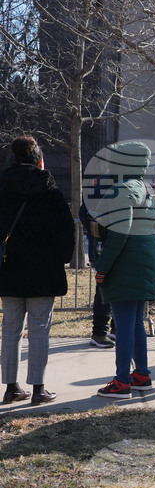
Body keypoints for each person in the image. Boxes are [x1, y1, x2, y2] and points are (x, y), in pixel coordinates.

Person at [0, 135, 74, 405]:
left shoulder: (2, 185)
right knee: (40, 328)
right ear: (39, 159)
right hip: (43, 269)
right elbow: (65, 231)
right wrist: (63, 258)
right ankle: (38, 389)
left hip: (8, 267)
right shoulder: (50, 189)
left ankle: (11, 388)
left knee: (10, 329)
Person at [93, 142, 155, 399]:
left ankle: (122, 381)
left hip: (126, 263)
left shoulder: (121, 190)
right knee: (135, 323)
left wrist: (102, 268)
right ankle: (141, 375)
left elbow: (119, 234)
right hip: (147, 258)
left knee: (123, 325)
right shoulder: (145, 188)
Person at [79, 179, 115, 348]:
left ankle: (115, 329)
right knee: (103, 290)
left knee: (113, 289)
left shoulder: (127, 183)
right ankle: (100, 332)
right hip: (104, 248)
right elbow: (84, 212)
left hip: (107, 247)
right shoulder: (106, 185)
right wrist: (98, 229)